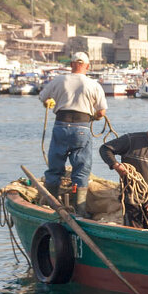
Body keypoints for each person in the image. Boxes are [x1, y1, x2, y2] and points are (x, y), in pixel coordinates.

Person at [37, 51, 108, 214]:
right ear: (87, 66)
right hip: (82, 128)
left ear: (71, 65)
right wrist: (95, 117)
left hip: (61, 125)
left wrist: (49, 103)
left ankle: (52, 206)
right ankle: (80, 211)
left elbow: (43, 98)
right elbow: (102, 112)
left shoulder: (59, 80)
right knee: (81, 169)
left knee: (55, 167)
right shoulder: (93, 84)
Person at [99, 114, 148, 230]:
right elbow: (105, 149)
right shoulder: (131, 140)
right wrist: (116, 165)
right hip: (131, 199)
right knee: (133, 231)